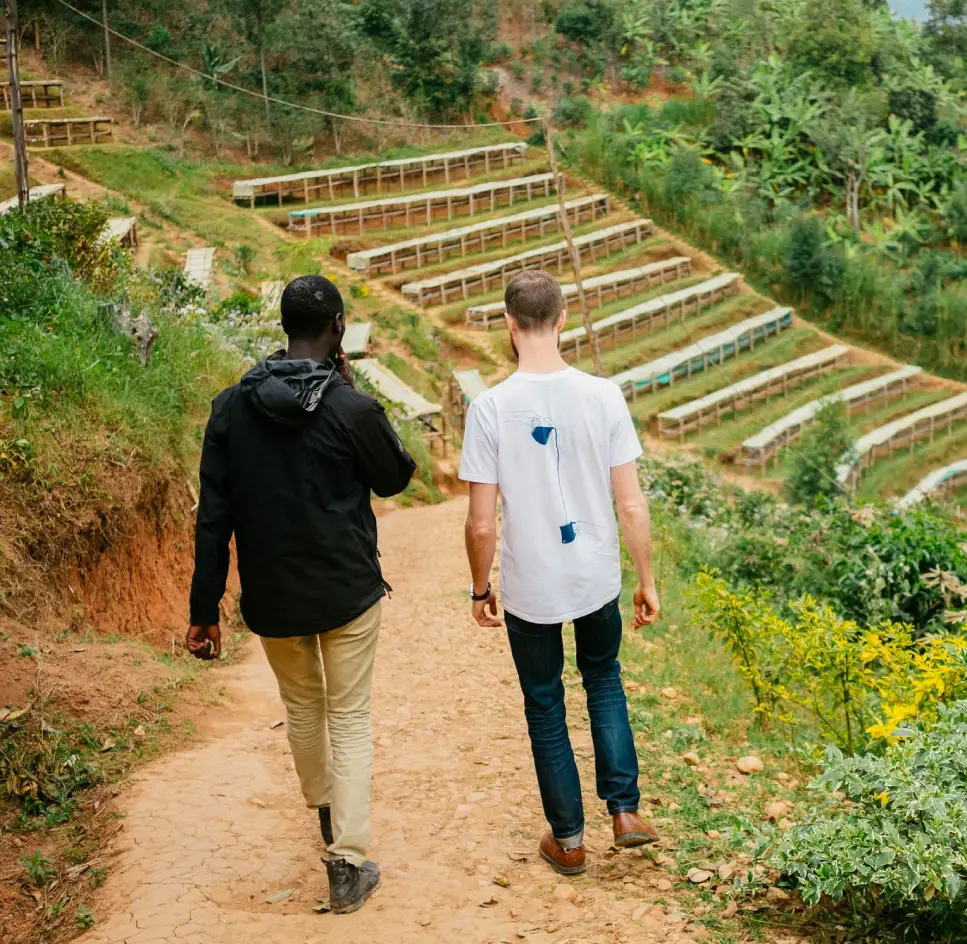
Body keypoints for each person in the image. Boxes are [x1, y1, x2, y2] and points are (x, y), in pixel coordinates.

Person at [186, 274, 416, 914]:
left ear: (284, 327)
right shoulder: (349, 406)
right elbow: (396, 477)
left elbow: (214, 517)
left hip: (273, 595)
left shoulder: (232, 406)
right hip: (346, 590)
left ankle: (325, 810)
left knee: (304, 709)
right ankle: (347, 862)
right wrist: (352, 390)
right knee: (348, 717)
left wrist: (204, 613)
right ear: (338, 327)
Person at [460, 269, 661, 876]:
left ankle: (569, 841)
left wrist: (479, 585)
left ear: (509, 324)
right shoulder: (604, 396)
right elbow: (630, 503)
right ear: (564, 318)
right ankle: (624, 812)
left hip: (530, 585)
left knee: (545, 703)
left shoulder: (490, 407)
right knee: (603, 680)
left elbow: (480, 523)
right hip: (595, 574)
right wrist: (646, 579)